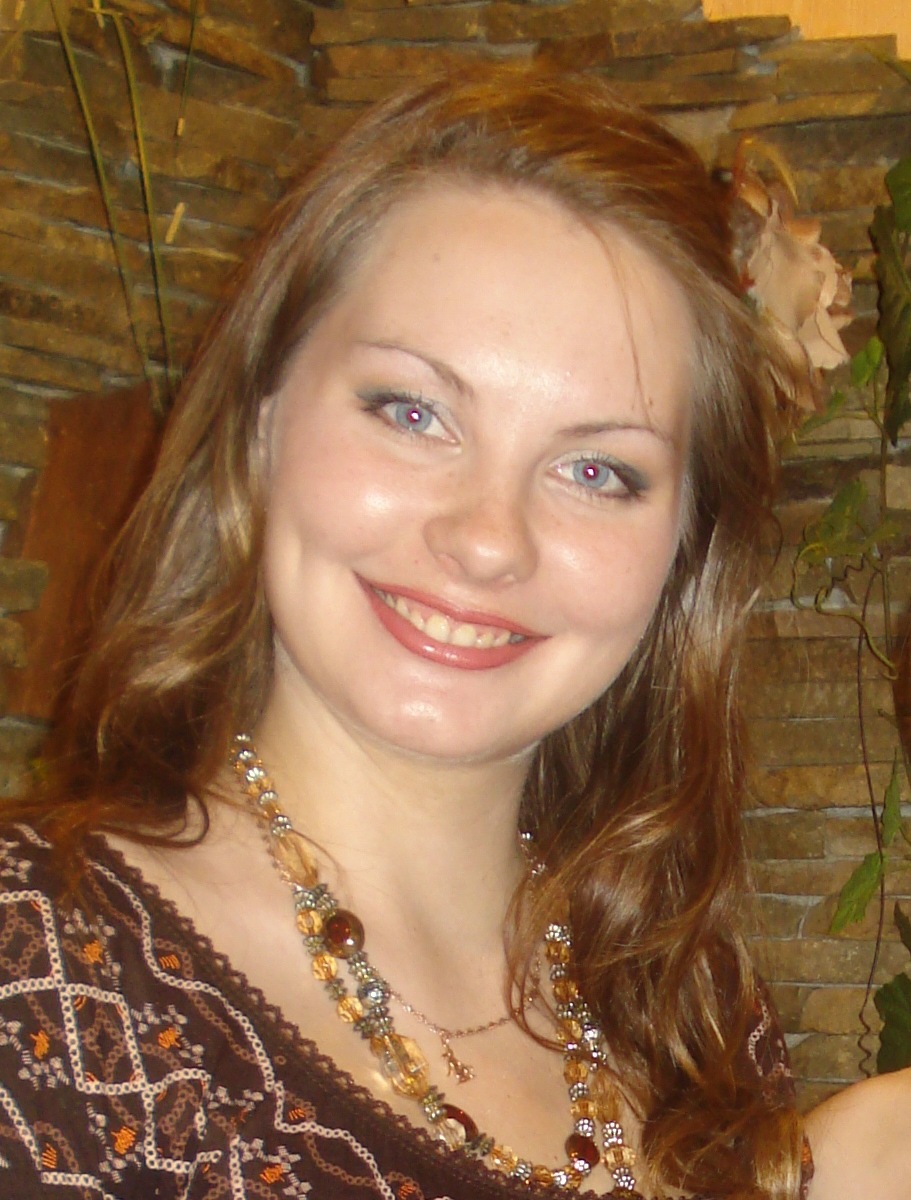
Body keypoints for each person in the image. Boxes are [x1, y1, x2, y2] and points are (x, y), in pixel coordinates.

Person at [0, 64, 811, 1198]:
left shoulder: (696, 1021)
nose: (486, 539)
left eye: (595, 469)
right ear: (262, 419)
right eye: (412, 411)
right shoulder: (35, 976)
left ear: (683, 546)